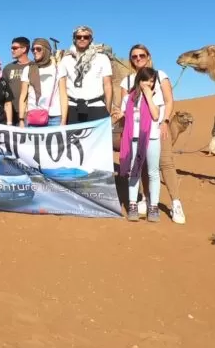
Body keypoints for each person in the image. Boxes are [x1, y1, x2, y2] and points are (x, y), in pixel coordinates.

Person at [112, 44, 185, 224]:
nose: (138, 59)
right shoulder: (127, 82)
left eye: (141, 55)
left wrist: (165, 121)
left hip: (158, 126)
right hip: (137, 131)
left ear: (148, 56)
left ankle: (175, 203)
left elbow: (168, 101)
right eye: (134, 57)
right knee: (141, 166)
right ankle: (145, 199)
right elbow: (125, 109)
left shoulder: (160, 76)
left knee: (165, 162)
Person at [118, 67, 165, 222]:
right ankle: (132, 205)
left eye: (152, 81)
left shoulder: (156, 96)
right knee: (134, 172)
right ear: (139, 80)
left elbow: (156, 115)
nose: (149, 84)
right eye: (146, 80)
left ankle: (153, 206)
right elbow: (125, 117)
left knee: (153, 172)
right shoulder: (128, 98)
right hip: (133, 139)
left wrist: (148, 96)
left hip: (151, 138)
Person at [58, 26, 113, 125]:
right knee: (74, 140)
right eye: (79, 37)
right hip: (73, 108)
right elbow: (63, 91)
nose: (82, 39)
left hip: (97, 107)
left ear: (91, 39)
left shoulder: (102, 58)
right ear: (74, 39)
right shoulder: (66, 60)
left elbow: (107, 86)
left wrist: (107, 111)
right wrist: (63, 119)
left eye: (86, 37)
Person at [19, 38, 60, 127]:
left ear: (46, 50)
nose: (35, 51)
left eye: (38, 49)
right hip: (33, 115)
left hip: (55, 117)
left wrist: (63, 121)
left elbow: (63, 94)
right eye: (33, 49)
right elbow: (23, 96)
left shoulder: (58, 68)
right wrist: (21, 119)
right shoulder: (28, 69)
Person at [4, 37, 31, 125]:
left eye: (15, 48)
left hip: (29, 113)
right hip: (11, 114)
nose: (12, 50)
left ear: (24, 49)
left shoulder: (35, 66)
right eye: (11, 48)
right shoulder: (8, 68)